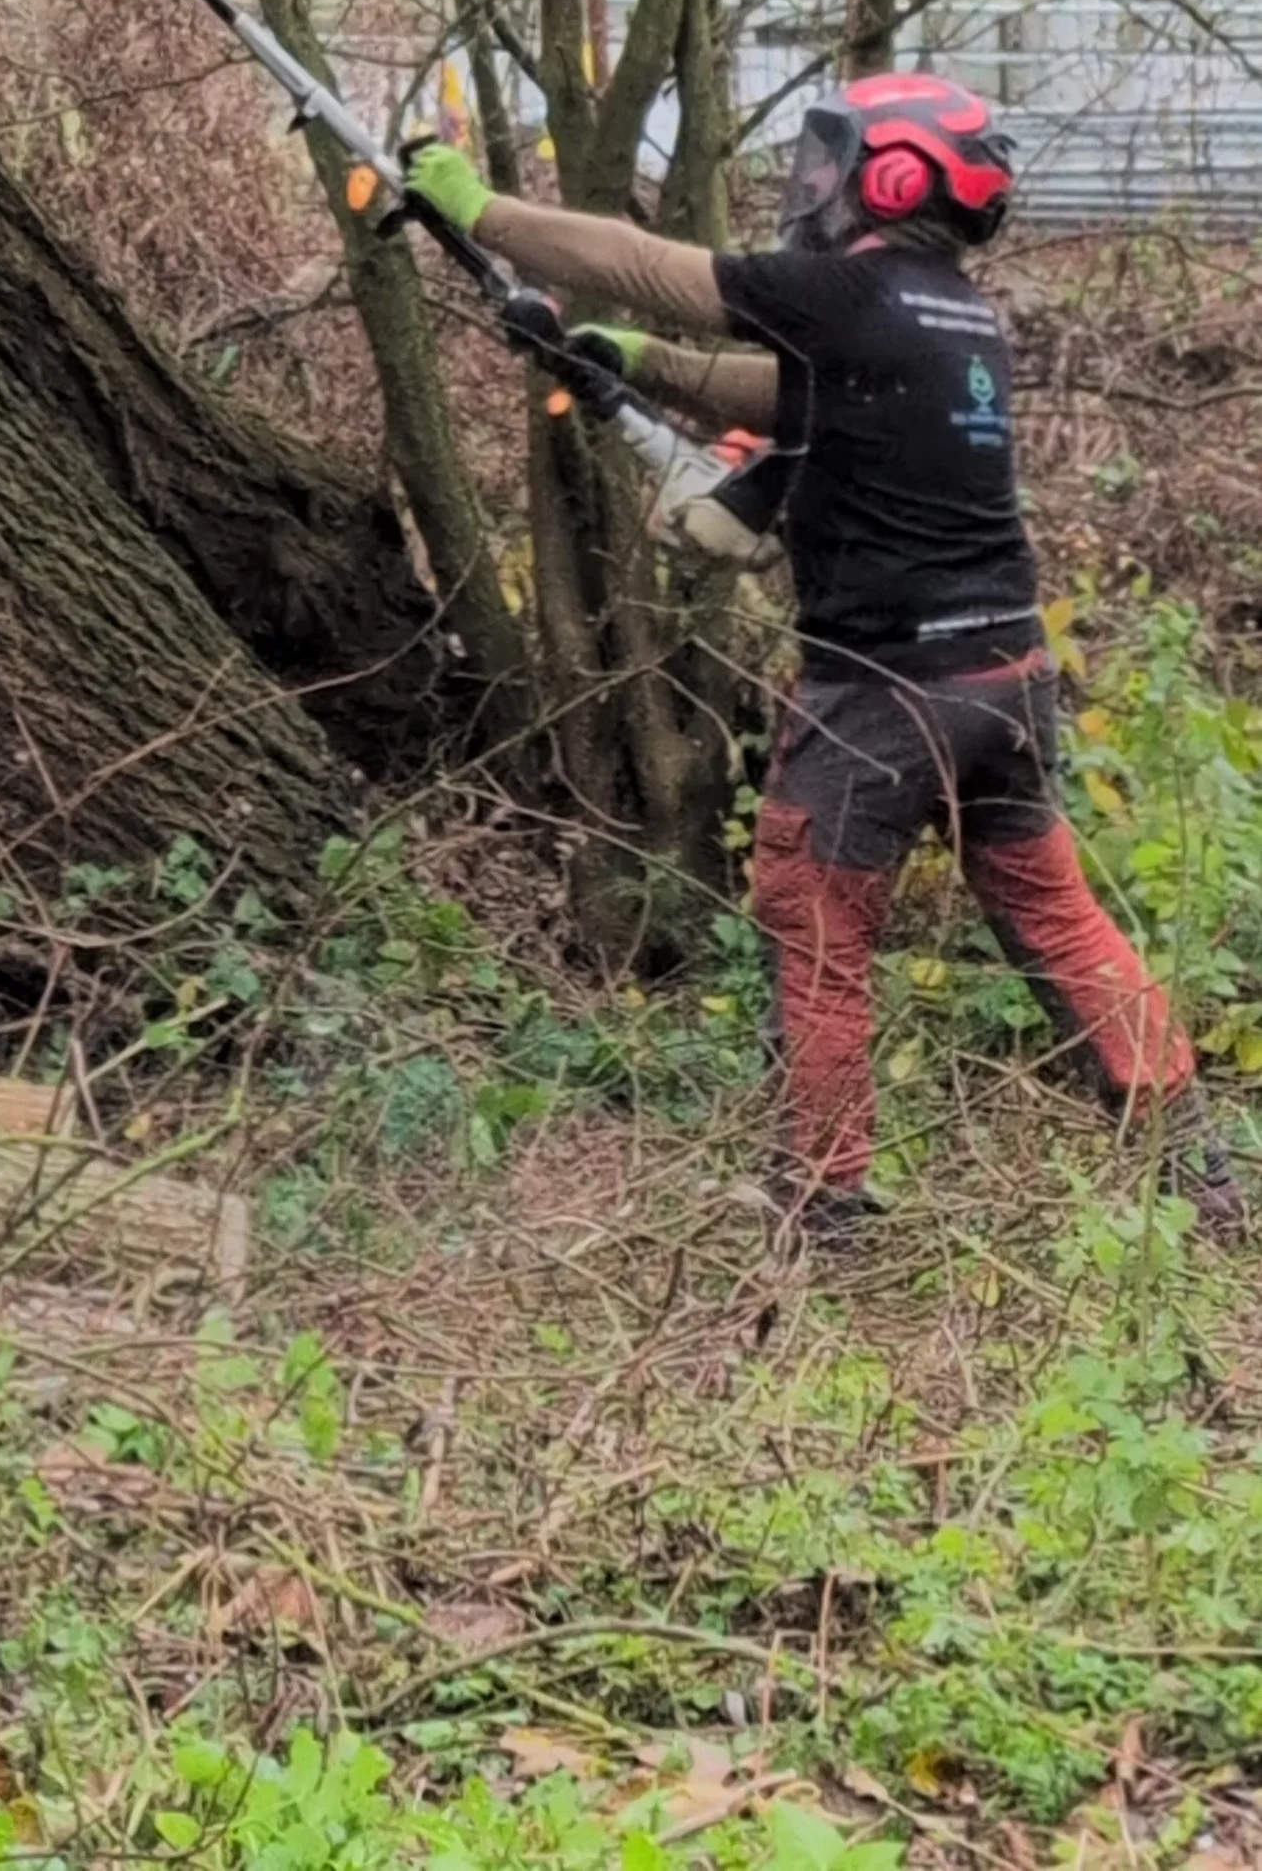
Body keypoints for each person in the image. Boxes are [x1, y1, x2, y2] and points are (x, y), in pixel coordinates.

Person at [406, 74, 1231, 1243]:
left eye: (827, 164)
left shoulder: (844, 289)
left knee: (816, 927)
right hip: (1004, 680)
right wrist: (626, 359)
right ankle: (1194, 1167)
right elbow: (793, 397)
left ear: (889, 179)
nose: (808, 187)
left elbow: (648, 261)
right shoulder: (952, 313)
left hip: (883, 698)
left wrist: (478, 209)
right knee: (1057, 921)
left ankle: (823, 1195)